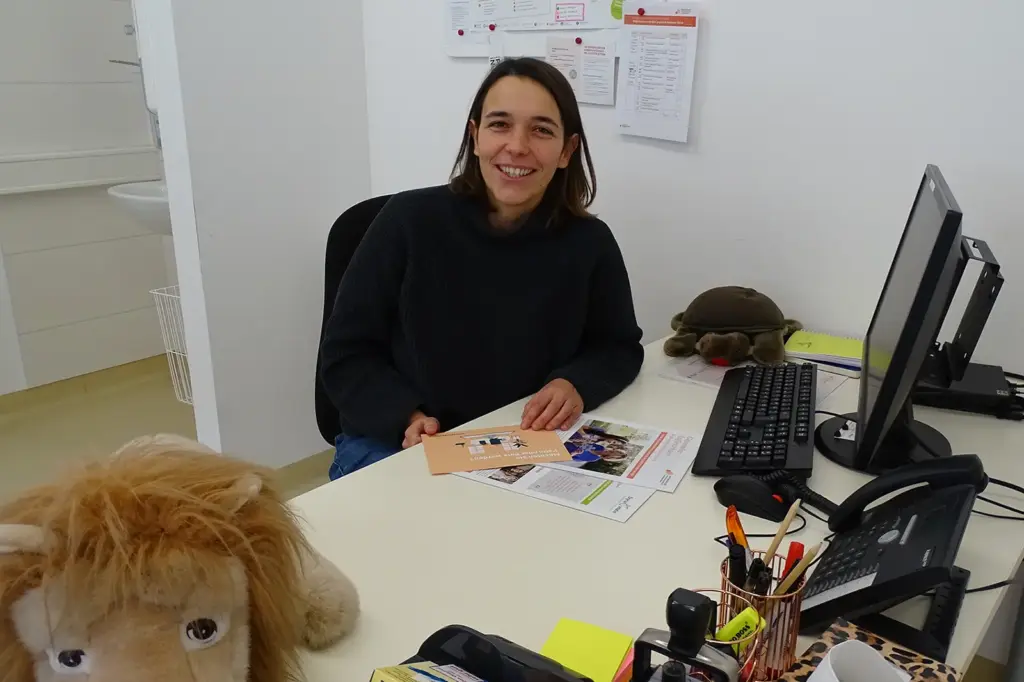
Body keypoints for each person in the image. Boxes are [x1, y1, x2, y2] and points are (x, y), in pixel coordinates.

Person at [320, 57, 644, 481]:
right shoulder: (407, 221)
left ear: (567, 151)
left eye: (542, 130)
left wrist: (575, 384)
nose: (518, 146)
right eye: (500, 125)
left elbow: (617, 346)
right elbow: (346, 354)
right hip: (396, 441)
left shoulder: (589, 242)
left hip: (517, 444)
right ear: (475, 137)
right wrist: (403, 415)